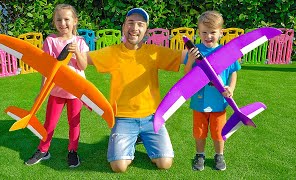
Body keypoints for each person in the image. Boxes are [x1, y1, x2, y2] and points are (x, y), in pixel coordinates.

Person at [77, 8, 188, 173]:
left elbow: (184, 57)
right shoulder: (113, 52)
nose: (135, 28)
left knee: (164, 163)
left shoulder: (154, 52)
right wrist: (69, 48)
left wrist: (203, 50)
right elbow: (85, 58)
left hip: (152, 117)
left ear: (146, 30)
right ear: (123, 27)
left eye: (140, 24)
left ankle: (140, 136)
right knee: (119, 166)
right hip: (123, 118)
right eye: (130, 23)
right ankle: (131, 137)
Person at [25, 4, 89, 168]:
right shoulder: (51, 41)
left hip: (76, 93)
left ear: (74, 21)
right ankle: (43, 150)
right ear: (54, 22)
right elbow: (46, 69)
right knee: (50, 124)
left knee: (74, 123)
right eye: (59, 19)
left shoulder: (80, 42)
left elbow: (83, 66)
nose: (63, 23)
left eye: (67, 19)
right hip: (56, 91)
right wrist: (42, 91)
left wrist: (77, 53)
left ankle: (73, 151)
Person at [184, 10, 241, 171]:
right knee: (199, 132)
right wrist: (191, 60)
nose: (208, 36)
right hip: (199, 101)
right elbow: (187, 75)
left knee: (218, 132)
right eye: (204, 32)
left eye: (213, 32)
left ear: (221, 33)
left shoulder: (227, 52)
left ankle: (219, 155)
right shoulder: (195, 51)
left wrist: (231, 88)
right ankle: (200, 155)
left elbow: (233, 73)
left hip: (220, 102)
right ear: (198, 32)